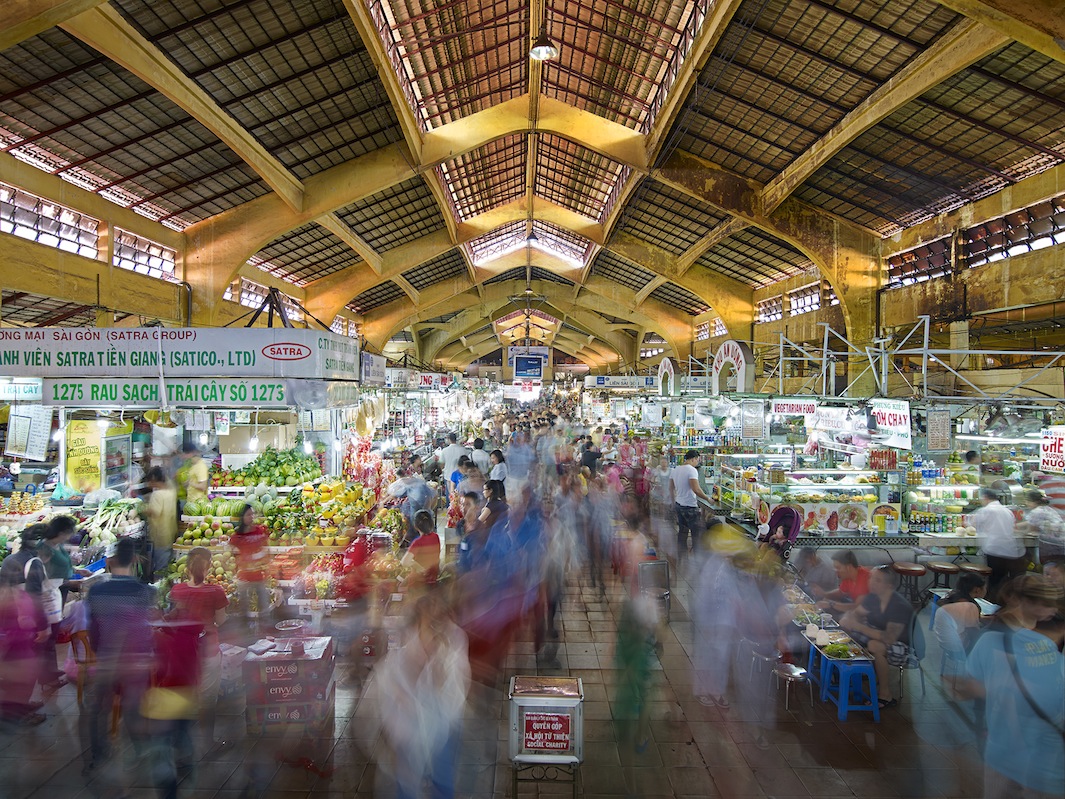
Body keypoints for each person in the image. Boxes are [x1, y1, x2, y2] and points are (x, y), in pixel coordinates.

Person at [964, 574, 1064, 798]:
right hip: (1019, 744)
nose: (1053, 610)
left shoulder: (1031, 640)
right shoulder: (1001, 639)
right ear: (1024, 601)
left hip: (1016, 744)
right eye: (1048, 604)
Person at [82, 536, 158, 776]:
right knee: (133, 707)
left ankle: (98, 756)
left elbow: (93, 628)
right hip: (135, 659)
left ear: (110, 560)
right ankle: (140, 751)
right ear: (135, 559)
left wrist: (98, 651)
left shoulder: (96, 591)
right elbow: (146, 627)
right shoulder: (145, 593)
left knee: (99, 709)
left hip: (107, 658)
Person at [168, 546, 228, 747]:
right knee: (208, 699)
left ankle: (181, 742)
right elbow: (221, 620)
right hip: (208, 649)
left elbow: (175, 615)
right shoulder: (216, 591)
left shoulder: (177, 590)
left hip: (184, 653)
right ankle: (208, 742)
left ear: (187, 567)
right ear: (209, 566)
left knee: (184, 695)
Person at [840, 565, 913, 709]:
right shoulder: (873, 597)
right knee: (843, 627)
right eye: (871, 578)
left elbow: (888, 638)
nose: (871, 582)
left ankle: (885, 694)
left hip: (906, 647)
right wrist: (847, 619)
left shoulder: (899, 605)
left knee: (875, 646)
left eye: (877, 580)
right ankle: (849, 675)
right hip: (878, 634)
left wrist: (857, 626)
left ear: (889, 586)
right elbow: (856, 614)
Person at [0, 528, 49, 726]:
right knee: (23, 676)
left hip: (9, 638)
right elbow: (35, 602)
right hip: (18, 639)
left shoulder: (9, 561)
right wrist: (42, 626)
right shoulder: (32, 566)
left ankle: (18, 707)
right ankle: (17, 713)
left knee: (16, 676)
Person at [975, 487, 1026, 601]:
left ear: (985, 498)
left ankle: (992, 603)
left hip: (994, 549)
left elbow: (973, 523)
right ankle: (1003, 603)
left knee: (994, 580)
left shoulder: (986, 510)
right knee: (1004, 580)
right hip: (1010, 550)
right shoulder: (1007, 511)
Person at [229, 504, 270, 623]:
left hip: (258, 575)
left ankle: (264, 632)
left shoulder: (258, 531)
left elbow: (265, 547)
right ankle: (246, 631)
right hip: (244, 577)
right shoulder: (238, 536)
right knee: (244, 607)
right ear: (242, 517)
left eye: (252, 514)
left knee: (263, 606)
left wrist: (264, 562)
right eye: (248, 515)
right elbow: (231, 550)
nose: (251, 517)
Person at [669, 450, 710, 562]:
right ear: (693, 459)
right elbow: (696, 489)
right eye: (697, 460)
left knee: (682, 532)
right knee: (696, 534)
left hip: (679, 505)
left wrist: (673, 502)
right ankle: (697, 558)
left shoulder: (675, 470)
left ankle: (681, 557)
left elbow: (671, 488)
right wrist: (707, 498)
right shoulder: (692, 470)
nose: (697, 462)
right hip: (690, 506)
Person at [144, 466, 178, 580]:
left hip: (160, 535)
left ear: (153, 479)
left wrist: (141, 508)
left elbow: (155, 512)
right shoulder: (171, 491)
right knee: (167, 565)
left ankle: (158, 590)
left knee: (160, 567)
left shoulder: (157, 495)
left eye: (149, 481)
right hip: (171, 532)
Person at [1017, 488, 1065, 566]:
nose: (1026, 503)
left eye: (1028, 501)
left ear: (1035, 502)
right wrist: (1017, 525)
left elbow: (1030, 530)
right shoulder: (1046, 508)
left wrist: (1016, 531)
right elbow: (1032, 522)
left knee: (1051, 563)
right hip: (1061, 540)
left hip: (1054, 542)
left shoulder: (1036, 511)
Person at [402, 509, 441, 585]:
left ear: (415, 526)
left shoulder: (418, 543)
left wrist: (415, 565)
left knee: (399, 584)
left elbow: (404, 562)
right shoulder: (436, 537)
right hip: (433, 577)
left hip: (419, 582)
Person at [175, 442, 209, 512]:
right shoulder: (193, 465)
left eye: (182, 454)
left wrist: (190, 483)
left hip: (198, 503)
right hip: (191, 502)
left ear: (189, 454)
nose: (182, 457)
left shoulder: (200, 466)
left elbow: (203, 486)